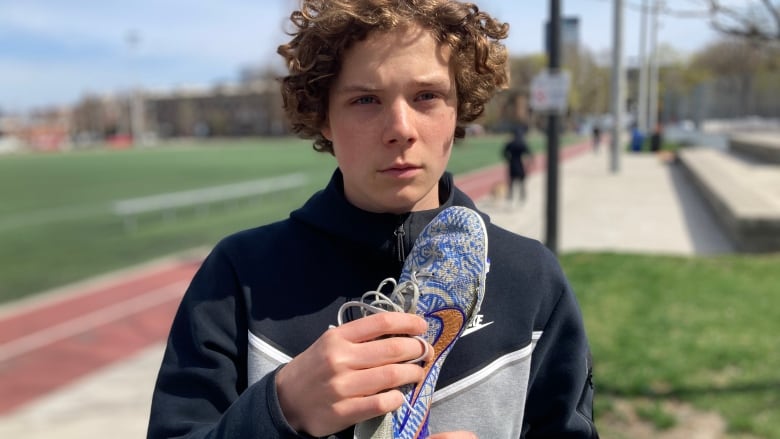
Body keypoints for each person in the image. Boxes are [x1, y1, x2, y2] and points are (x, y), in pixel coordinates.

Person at [147, 1, 598, 438]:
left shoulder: (532, 279)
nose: (400, 127)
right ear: (324, 117)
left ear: (459, 107)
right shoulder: (239, 276)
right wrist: (281, 408)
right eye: (366, 99)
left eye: (427, 96)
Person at [502, 125, 532, 205]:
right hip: (520, 164)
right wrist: (528, 165)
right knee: (521, 183)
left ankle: (511, 197)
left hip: (512, 164)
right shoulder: (522, 143)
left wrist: (508, 159)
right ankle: (522, 198)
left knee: (511, 182)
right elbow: (529, 154)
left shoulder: (510, 143)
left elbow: (504, 152)